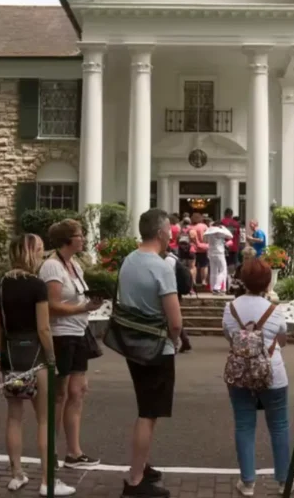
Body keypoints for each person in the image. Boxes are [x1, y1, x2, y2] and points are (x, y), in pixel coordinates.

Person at [0, 234, 76, 496]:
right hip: (35, 354)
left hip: (10, 354)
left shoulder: (1, 284)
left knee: (14, 417)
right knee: (44, 419)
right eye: (41, 250)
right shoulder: (36, 285)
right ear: (31, 252)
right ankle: (47, 480)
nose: (43, 254)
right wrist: (51, 357)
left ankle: (16, 473)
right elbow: (43, 327)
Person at [117, 209, 183, 498]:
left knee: (146, 407)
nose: (171, 234)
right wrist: (177, 339)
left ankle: (141, 464)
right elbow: (175, 320)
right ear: (159, 233)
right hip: (157, 347)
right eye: (169, 230)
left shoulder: (129, 261)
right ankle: (134, 479)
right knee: (149, 412)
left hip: (133, 344)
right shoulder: (161, 267)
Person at [222, 258, 294, 496]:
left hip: (240, 373)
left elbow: (229, 336)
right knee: (279, 426)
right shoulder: (274, 311)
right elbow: (283, 339)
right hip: (272, 374)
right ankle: (284, 480)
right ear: (267, 283)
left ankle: (247, 482)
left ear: (243, 281)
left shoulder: (230, 308)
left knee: (244, 425)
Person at [41, 218, 102, 468]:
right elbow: (51, 306)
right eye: (79, 235)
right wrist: (82, 308)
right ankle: (51, 451)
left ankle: (74, 452)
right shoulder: (52, 267)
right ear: (67, 239)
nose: (83, 238)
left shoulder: (74, 264)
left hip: (79, 332)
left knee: (78, 391)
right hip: (61, 335)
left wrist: (90, 305)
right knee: (59, 394)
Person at [204, 220, 232, 294]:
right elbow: (230, 236)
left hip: (211, 252)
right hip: (219, 252)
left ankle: (212, 287)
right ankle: (217, 287)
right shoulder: (220, 232)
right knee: (223, 270)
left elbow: (205, 240)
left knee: (213, 271)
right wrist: (224, 228)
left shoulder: (209, 231)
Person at [190, 213, 209, 287]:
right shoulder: (204, 226)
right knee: (204, 265)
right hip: (204, 248)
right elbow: (208, 237)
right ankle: (203, 281)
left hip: (194, 249)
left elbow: (191, 238)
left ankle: (193, 281)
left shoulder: (192, 227)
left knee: (193, 266)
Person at [221, 208, 241, 275]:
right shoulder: (236, 224)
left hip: (225, 246)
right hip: (234, 246)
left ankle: (226, 276)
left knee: (225, 262)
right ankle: (235, 276)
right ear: (232, 214)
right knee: (235, 262)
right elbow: (238, 235)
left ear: (225, 214)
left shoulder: (222, 222)